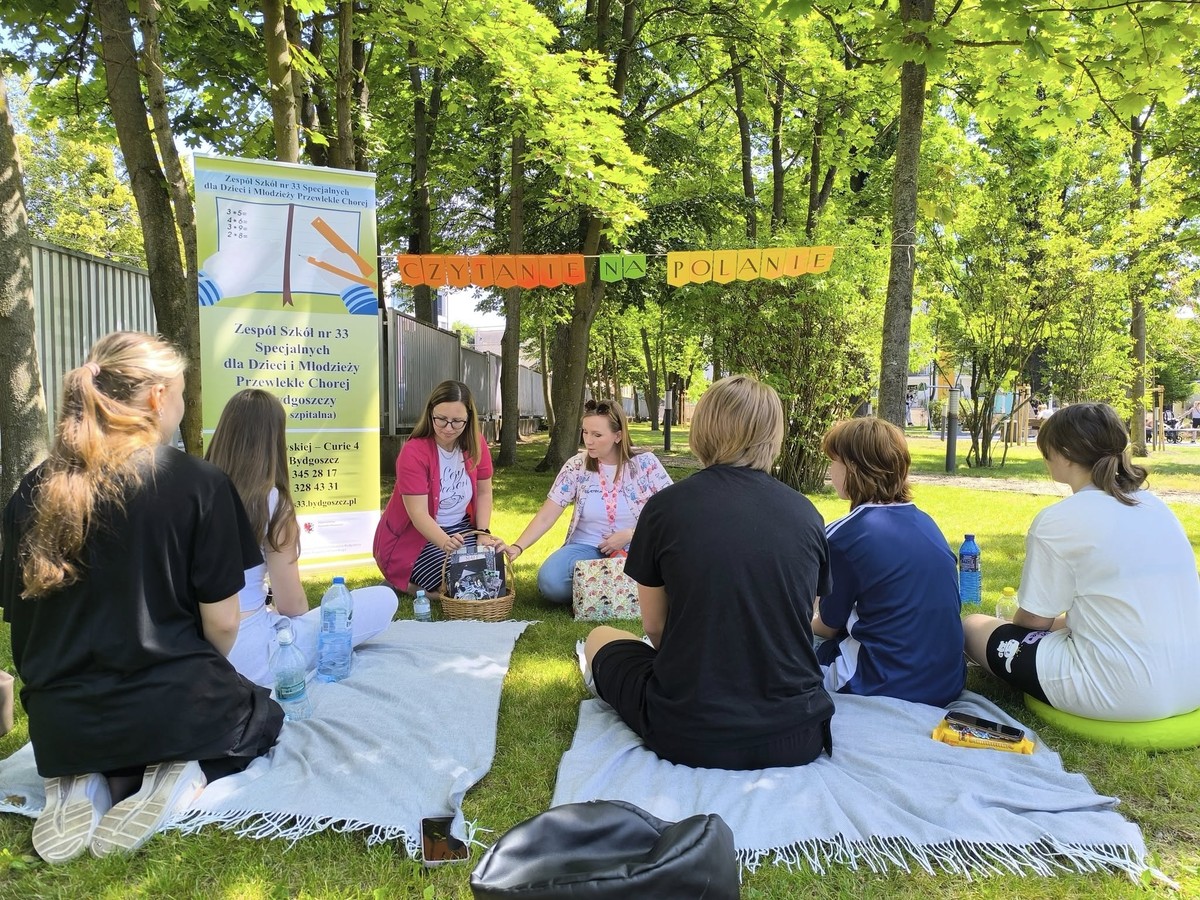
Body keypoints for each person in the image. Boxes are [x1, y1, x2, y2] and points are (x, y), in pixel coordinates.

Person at [0, 332, 282, 863]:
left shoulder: (31, 491)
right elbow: (222, 625)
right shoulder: (198, 483)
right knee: (261, 713)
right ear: (156, 396)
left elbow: (22, 624)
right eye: (179, 392)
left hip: (62, 725)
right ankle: (172, 771)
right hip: (173, 710)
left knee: (106, 731)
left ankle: (83, 779)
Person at [583, 376, 834, 770]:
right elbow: (801, 618)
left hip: (689, 731)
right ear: (774, 435)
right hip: (796, 734)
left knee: (599, 637)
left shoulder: (665, 509)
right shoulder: (806, 514)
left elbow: (655, 627)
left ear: (704, 429)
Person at [963, 402, 1200, 721]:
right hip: (1190, 682)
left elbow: (1033, 623)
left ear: (1062, 452)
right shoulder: (1156, 507)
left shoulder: (1058, 521)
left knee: (972, 626)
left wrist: (1009, 624)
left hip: (1122, 693)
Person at [206, 389, 398, 687]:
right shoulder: (270, 501)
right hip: (255, 657)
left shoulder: (194, 493)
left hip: (200, 649)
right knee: (384, 599)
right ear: (274, 440)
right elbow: (292, 604)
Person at [813, 418, 965, 707]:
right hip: (947, 682)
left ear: (852, 469)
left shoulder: (843, 536)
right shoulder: (926, 523)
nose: (830, 471)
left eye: (833, 462)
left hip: (881, 683)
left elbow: (827, 626)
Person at [504, 399, 671, 604]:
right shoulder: (576, 465)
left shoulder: (645, 464)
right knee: (550, 582)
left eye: (597, 435)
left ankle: (597, 588)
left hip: (636, 548)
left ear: (618, 436)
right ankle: (622, 589)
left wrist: (631, 535)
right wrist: (518, 547)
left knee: (672, 567)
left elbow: (672, 514)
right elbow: (547, 516)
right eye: (585, 432)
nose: (588, 441)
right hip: (587, 549)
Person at [374, 381, 503, 594]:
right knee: (458, 583)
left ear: (469, 419)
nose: (448, 428)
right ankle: (406, 584)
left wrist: (483, 533)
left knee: (492, 576)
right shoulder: (413, 452)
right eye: (441, 419)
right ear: (430, 413)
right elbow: (418, 514)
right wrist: (445, 543)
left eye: (457, 421)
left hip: (461, 530)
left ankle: (419, 586)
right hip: (417, 538)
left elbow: (484, 492)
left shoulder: (476, 444)